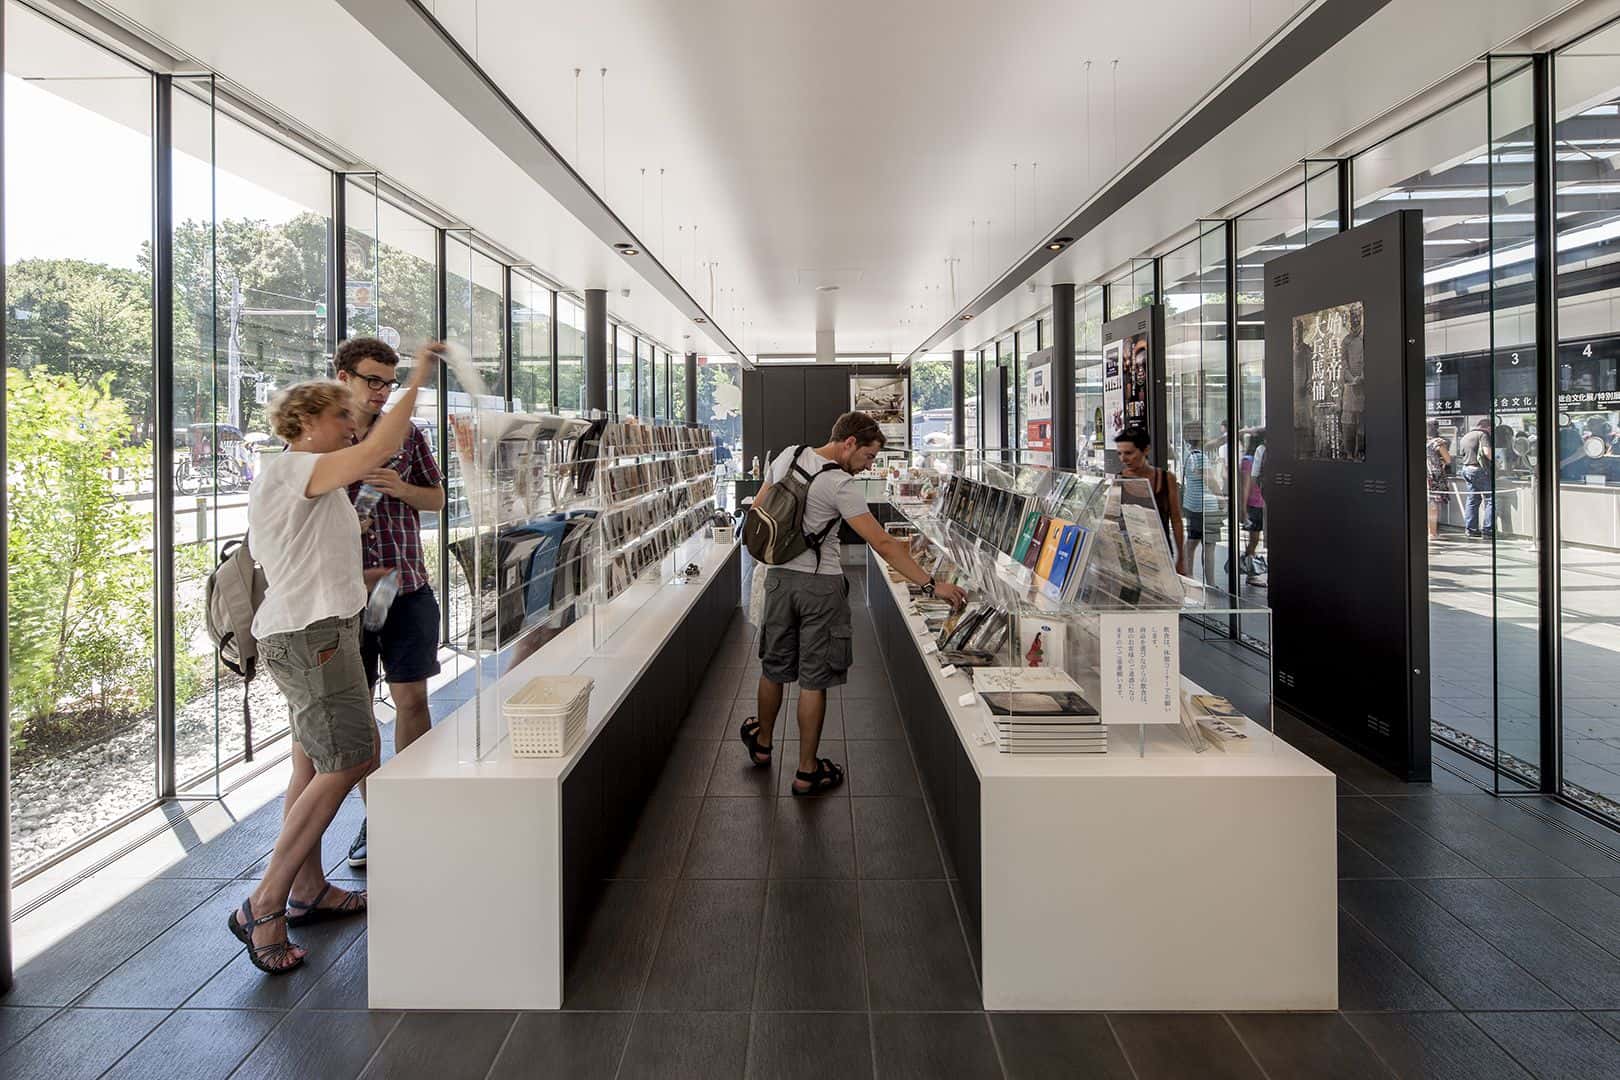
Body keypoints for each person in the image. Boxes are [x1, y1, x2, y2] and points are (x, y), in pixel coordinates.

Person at [228, 345, 439, 975]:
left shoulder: (304, 477)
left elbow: (307, 555)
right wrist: (421, 377)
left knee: (330, 758)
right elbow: (375, 452)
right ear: (306, 421)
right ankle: (264, 902)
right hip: (311, 637)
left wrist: (362, 574)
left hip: (321, 629)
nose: (353, 428)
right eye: (342, 418)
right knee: (352, 757)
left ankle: (307, 888)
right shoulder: (298, 469)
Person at [742, 412, 966, 794]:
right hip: (821, 588)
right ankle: (807, 771)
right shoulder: (841, 484)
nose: (868, 466)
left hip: (778, 580)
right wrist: (931, 585)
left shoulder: (787, 456)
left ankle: (762, 746)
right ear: (849, 443)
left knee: (773, 668)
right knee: (813, 680)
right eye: (868, 457)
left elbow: (759, 511)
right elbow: (880, 542)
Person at [333, 337, 447, 869]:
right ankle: (376, 820)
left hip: (405, 587)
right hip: (343, 599)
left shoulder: (409, 435)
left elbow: (436, 497)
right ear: (343, 376)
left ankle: (416, 806)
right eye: (372, 379)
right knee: (358, 717)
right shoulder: (322, 439)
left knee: (412, 701)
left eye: (389, 381)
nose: (381, 391)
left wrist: (400, 487)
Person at [1114, 426, 1186, 576]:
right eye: (1119, 453)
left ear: (1145, 450)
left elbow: (1176, 519)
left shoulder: (1167, 479)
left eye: (1129, 453)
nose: (1123, 459)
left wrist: (1181, 557)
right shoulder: (1118, 480)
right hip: (1129, 554)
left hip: (1160, 554)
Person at [1179, 427, 1220, 583]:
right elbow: (1210, 481)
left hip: (1192, 504)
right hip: (1206, 506)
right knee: (1209, 545)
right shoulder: (1201, 457)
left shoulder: (1188, 455)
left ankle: (1187, 575)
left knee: (1192, 540)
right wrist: (1221, 497)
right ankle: (1210, 583)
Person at [1457, 417, 1494, 538]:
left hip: (1466, 469)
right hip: (1479, 470)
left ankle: (1471, 529)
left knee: (1473, 499)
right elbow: (1487, 452)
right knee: (1490, 499)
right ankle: (1488, 530)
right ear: (1487, 427)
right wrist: (1498, 464)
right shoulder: (1483, 435)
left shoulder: (1466, 436)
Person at [1239, 432, 1267, 584]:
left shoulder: (1253, 459)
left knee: (1255, 539)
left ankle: (1251, 569)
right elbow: (1245, 486)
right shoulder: (1249, 460)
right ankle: (1250, 572)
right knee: (1254, 540)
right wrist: (1243, 510)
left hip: (1259, 503)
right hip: (1253, 504)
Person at [1425, 419, 1453, 540]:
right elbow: (1448, 460)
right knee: (1433, 505)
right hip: (1434, 475)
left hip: (1424, 473)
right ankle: (1432, 533)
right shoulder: (1437, 442)